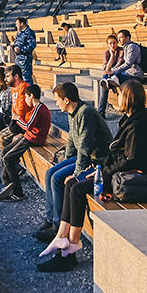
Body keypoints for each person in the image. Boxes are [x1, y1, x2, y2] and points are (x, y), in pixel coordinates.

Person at [40, 80, 147, 272]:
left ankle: (70, 249)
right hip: (118, 174)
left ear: (128, 98)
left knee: (77, 188)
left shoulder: (139, 125)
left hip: (129, 180)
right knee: (72, 185)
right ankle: (62, 239)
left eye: (119, 94)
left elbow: (129, 160)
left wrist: (100, 172)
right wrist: (97, 170)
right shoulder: (131, 121)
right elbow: (118, 157)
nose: (116, 97)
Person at [37, 82, 110, 243]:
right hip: (83, 156)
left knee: (57, 178)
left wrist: (76, 174)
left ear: (67, 100)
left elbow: (84, 147)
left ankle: (57, 225)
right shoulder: (72, 113)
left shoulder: (86, 113)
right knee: (51, 172)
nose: (56, 103)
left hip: (95, 159)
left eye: (58, 100)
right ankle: (50, 220)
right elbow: (71, 140)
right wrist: (64, 159)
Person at [0, 82, 52, 203]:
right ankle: (8, 181)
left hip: (34, 139)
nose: (25, 100)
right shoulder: (37, 108)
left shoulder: (38, 108)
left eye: (26, 97)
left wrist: (17, 118)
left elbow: (27, 125)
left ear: (31, 96)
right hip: (29, 136)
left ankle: (18, 192)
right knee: (6, 150)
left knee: (8, 159)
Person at [97, 29, 146, 116]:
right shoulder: (125, 47)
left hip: (135, 75)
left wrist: (113, 71)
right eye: (118, 38)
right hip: (127, 73)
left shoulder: (132, 47)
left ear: (127, 38)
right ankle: (108, 82)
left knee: (109, 78)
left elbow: (128, 64)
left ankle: (101, 111)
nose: (118, 40)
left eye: (120, 38)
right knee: (105, 81)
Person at [12, 17, 37, 85]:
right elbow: (16, 44)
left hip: (25, 60)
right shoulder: (19, 33)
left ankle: (29, 93)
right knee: (18, 78)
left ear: (22, 23)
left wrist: (21, 50)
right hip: (18, 59)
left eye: (17, 23)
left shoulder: (29, 32)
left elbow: (32, 45)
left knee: (26, 78)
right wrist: (14, 47)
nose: (16, 25)